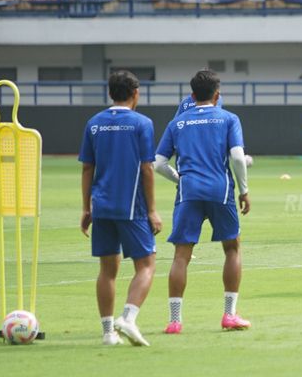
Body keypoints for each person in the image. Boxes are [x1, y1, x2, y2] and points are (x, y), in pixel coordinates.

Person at [154, 70, 251, 334]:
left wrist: (180, 180)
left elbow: (159, 164)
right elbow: (238, 158)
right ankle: (229, 315)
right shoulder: (229, 119)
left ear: (192, 95)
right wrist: (244, 190)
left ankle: (175, 321)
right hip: (220, 191)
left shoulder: (178, 123)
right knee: (232, 248)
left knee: (181, 256)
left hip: (189, 192)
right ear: (217, 95)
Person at [79, 70, 161, 346]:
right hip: (131, 206)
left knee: (107, 269)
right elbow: (147, 168)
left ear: (110, 93)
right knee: (147, 264)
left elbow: (87, 168)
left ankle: (107, 333)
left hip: (101, 205)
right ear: (136, 94)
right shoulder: (142, 123)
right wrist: (152, 210)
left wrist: (86, 207)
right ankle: (127, 318)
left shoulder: (94, 123)